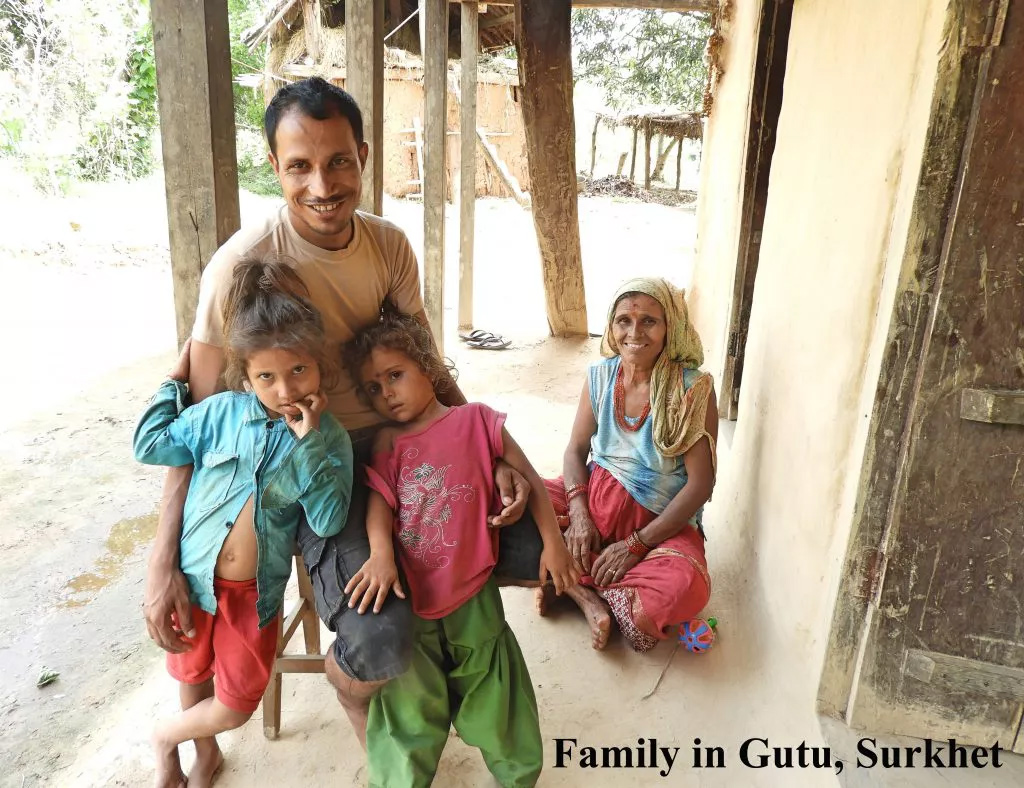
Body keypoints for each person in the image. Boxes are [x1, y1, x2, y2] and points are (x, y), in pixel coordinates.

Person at [141, 77, 542, 752]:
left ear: (362, 155)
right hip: (303, 476)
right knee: (379, 641)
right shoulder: (241, 264)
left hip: (395, 446)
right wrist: (162, 558)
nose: (322, 186)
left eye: (338, 162)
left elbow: (430, 366)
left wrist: (491, 449)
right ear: (275, 166)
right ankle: (355, 689)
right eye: (299, 166)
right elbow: (196, 430)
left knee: (534, 543)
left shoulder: (387, 247)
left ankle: (449, 654)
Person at [133, 259, 353, 788]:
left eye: (298, 371)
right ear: (247, 374)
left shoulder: (329, 440)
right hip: (195, 579)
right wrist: (173, 382)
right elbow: (151, 445)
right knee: (191, 672)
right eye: (266, 377)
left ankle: (165, 736)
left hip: (254, 596)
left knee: (234, 704)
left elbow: (327, 520)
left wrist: (313, 445)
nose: (283, 390)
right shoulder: (221, 414)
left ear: (320, 365)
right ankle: (202, 756)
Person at [341, 311, 579, 788]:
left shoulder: (476, 421)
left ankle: (516, 777)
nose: (385, 392)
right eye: (372, 387)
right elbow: (380, 502)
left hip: (472, 592)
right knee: (409, 709)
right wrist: (381, 554)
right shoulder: (387, 440)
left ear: (428, 368)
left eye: (395, 376)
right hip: (412, 600)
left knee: (496, 698)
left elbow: (529, 476)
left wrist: (554, 544)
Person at [538, 277, 717, 652]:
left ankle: (569, 576)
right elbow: (575, 451)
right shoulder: (601, 376)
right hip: (593, 501)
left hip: (657, 525)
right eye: (624, 320)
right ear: (611, 325)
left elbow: (700, 485)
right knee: (508, 502)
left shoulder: (692, 389)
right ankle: (587, 597)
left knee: (684, 587)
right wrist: (580, 513)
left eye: (649, 321)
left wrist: (635, 544)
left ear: (672, 327)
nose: (635, 333)